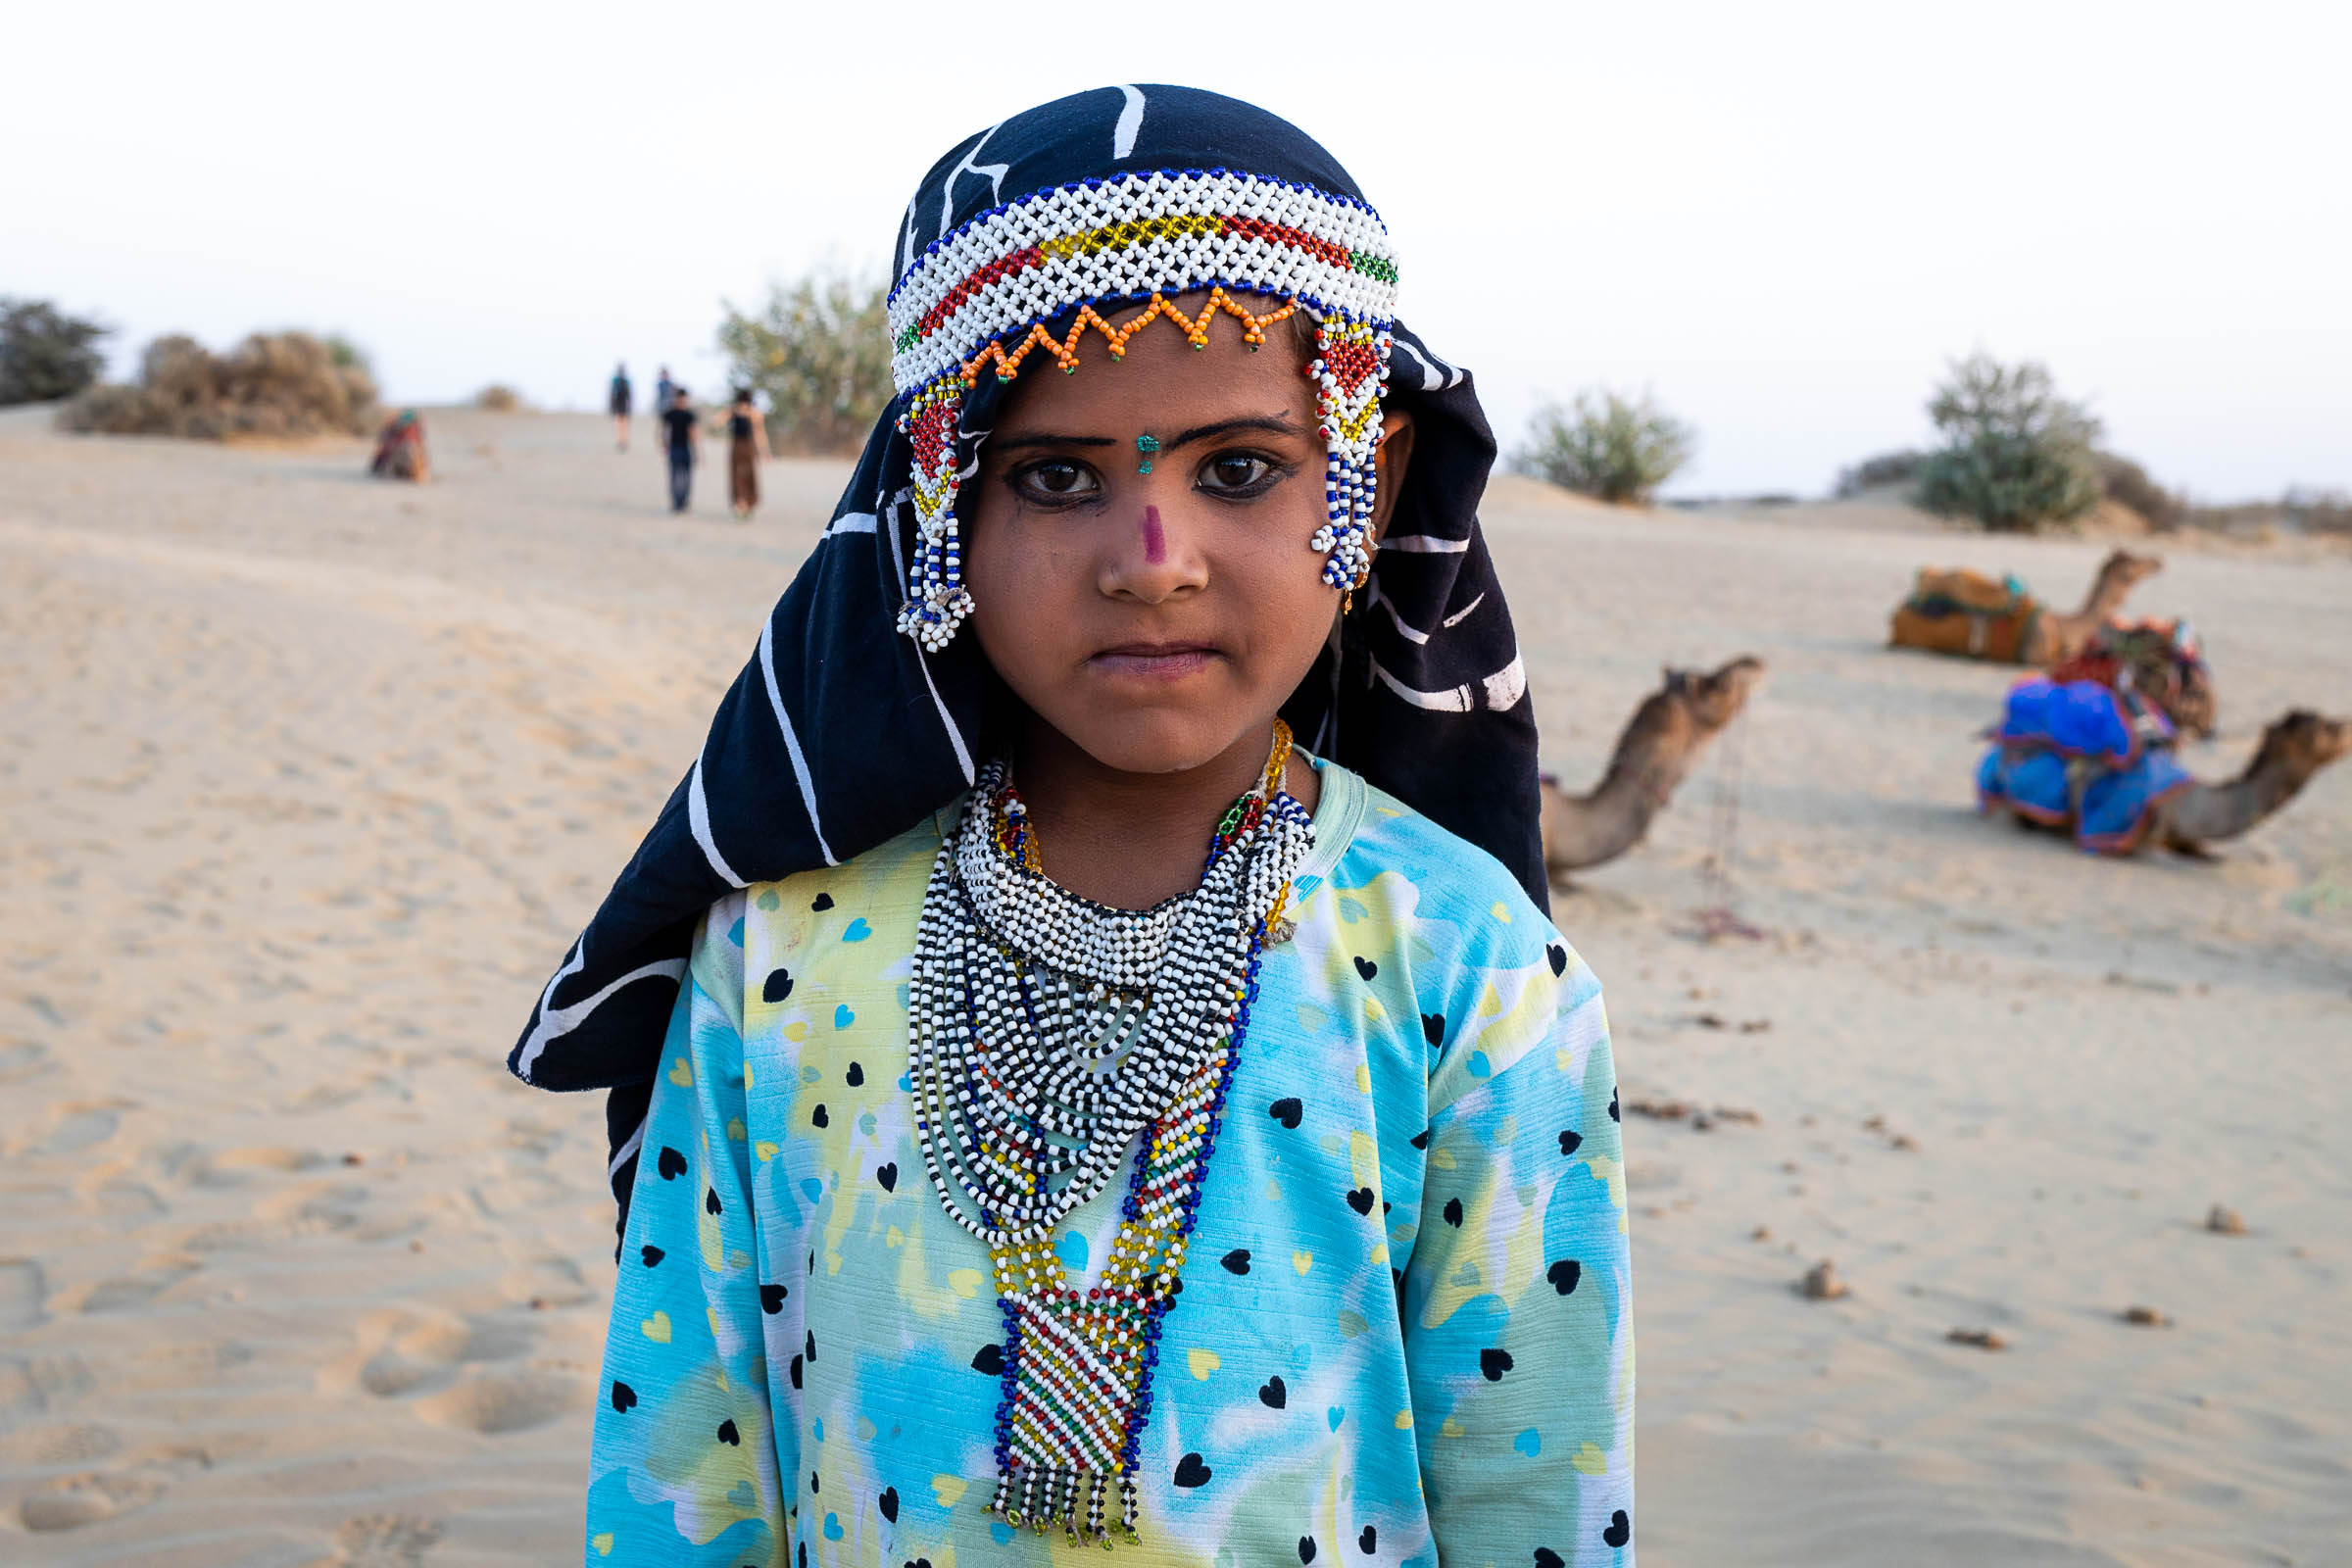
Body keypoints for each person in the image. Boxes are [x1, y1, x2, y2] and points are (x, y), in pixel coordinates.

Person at [514, 86, 1632, 1565]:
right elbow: (685, 1474)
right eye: (1054, 478)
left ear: (1372, 486)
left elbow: (1535, 1499)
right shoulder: (775, 955)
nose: (1152, 563)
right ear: (937, 512)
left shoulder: (1474, 971)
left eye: (1241, 468)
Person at [726, 386, 769, 518]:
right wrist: (765, 451)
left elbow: (716, 421)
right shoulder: (754, 413)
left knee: (738, 476)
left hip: (738, 447)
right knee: (748, 475)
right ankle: (745, 504)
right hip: (748, 447)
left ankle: (742, 504)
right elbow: (760, 434)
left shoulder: (735, 411)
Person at [660, 386, 697, 514]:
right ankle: (676, 502)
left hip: (686, 448)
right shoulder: (670, 413)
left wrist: (696, 450)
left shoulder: (689, 414)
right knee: (675, 476)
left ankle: (683, 502)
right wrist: (664, 445)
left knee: (686, 477)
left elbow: (693, 433)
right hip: (674, 447)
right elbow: (664, 430)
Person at [368, 408, 427, 481]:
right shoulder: (391, 430)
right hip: (391, 460)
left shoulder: (413, 432)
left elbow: (420, 448)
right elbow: (383, 447)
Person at [609, 362, 633, 451]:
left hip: (623, 406)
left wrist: (630, 406)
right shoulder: (615, 381)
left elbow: (629, 395)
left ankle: (624, 441)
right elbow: (612, 394)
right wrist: (611, 406)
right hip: (618, 406)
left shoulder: (625, 381)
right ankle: (620, 441)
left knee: (624, 425)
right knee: (619, 425)